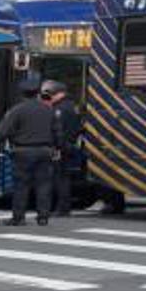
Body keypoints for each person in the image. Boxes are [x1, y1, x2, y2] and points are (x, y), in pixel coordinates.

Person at [0, 77, 60, 226]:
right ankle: (43, 216)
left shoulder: (17, 110)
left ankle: (18, 217)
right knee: (44, 184)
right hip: (45, 150)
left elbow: (2, 132)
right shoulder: (49, 110)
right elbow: (57, 132)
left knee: (21, 185)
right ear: (38, 93)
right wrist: (57, 148)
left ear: (22, 94)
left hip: (22, 151)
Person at [44, 80, 84, 217]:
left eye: (50, 94)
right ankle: (62, 207)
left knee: (59, 179)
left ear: (59, 94)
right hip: (69, 145)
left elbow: (58, 130)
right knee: (63, 177)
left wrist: (57, 147)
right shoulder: (73, 106)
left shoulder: (60, 109)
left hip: (60, 147)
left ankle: (62, 208)